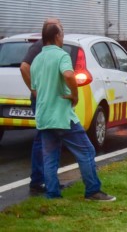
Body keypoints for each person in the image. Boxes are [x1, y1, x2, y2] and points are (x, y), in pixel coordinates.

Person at [30, 18, 115, 201]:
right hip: (62, 116)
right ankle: (93, 191)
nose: (63, 36)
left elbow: (34, 88)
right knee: (87, 151)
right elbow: (69, 75)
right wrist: (74, 94)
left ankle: (52, 194)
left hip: (44, 116)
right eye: (62, 32)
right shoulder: (61, 56)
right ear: (56, 36)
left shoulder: (37, 60)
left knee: (50, 158)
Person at [20, 19, 60, 195]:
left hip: (47, 99)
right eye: (59, 27)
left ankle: (48, 180)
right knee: (42, 139)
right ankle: (38, 180)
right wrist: (35, 90)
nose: (61, 31)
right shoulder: (39, 47)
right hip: (43, 100)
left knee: (48, 138)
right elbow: (24, 67)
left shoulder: (50, 49)